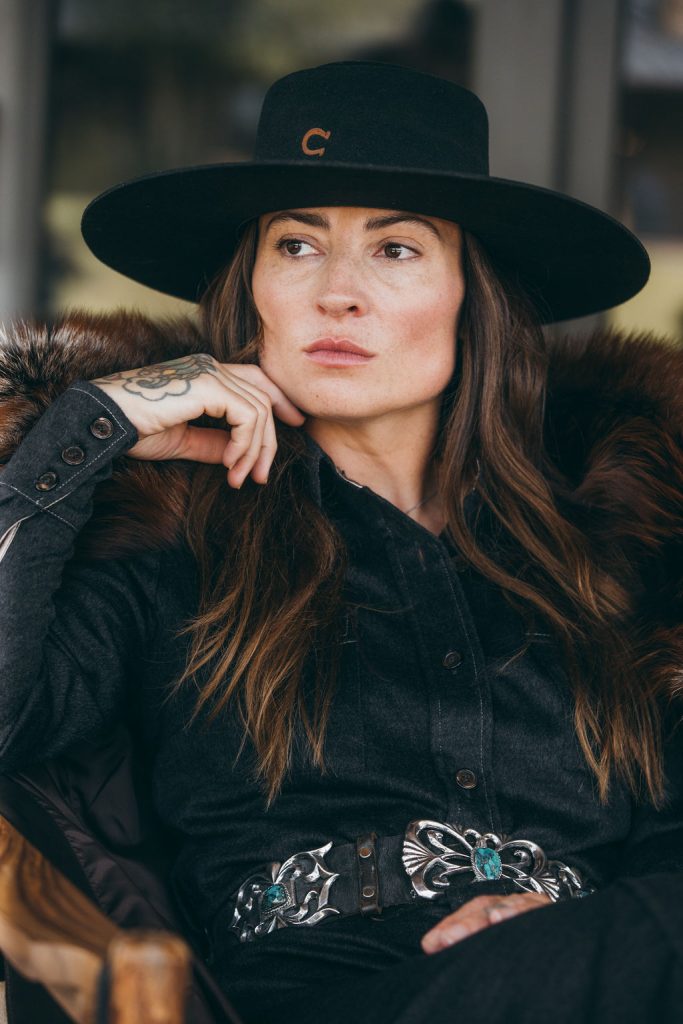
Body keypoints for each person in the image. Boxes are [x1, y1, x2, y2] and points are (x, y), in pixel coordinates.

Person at [1, 60, 682, 1024]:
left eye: (395, 250)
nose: (337, 294)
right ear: (252, 288)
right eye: (296, 245)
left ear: (472, 296)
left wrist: (568, 926)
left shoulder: (609, 544)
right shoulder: (172, 534)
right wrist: (84, 430)